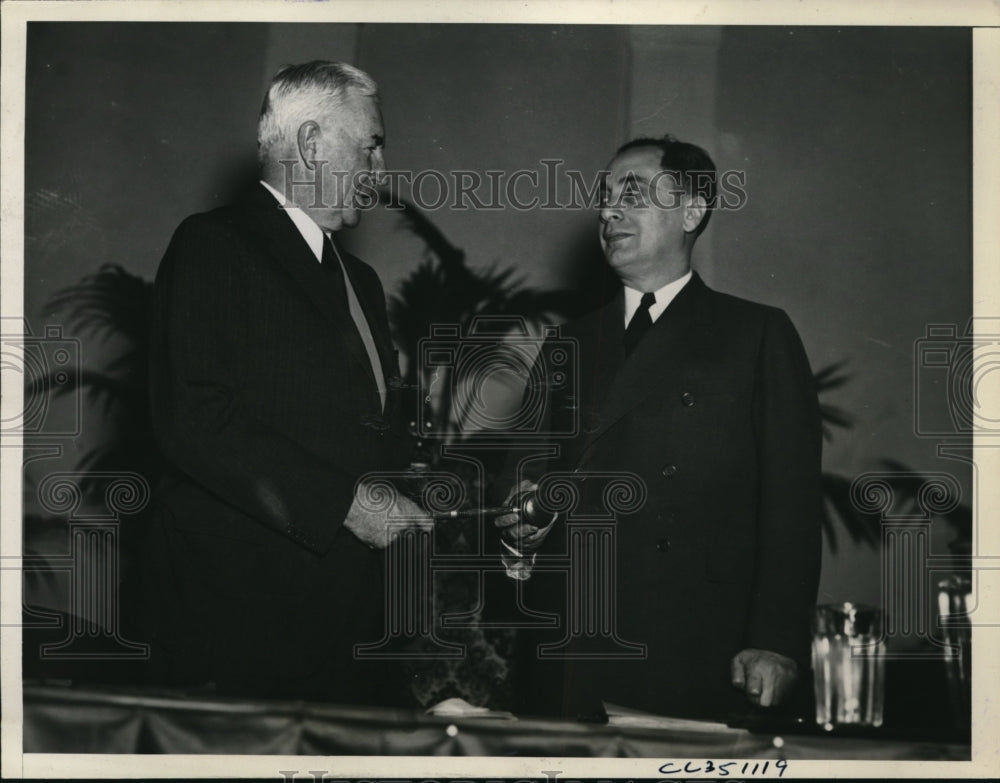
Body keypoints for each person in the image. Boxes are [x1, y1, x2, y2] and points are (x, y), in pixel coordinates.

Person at [496, 135, 823, 721]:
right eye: (604, 196)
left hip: (698, 644)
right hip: (571, 639)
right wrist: (519, 526)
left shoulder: (756, 334)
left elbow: (791, 505)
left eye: (633, 193)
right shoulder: (568, 341)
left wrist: (776, 640)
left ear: (692, 211)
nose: (608, 210)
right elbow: (525, 482)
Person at [139, 61, 430, 704]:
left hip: (346, 633)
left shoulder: (362, 284)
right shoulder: (213, 244)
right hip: (240, 629)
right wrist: (349, 504)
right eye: (372, 145)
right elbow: (196, 418)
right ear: (310, 144)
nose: (381, 171)